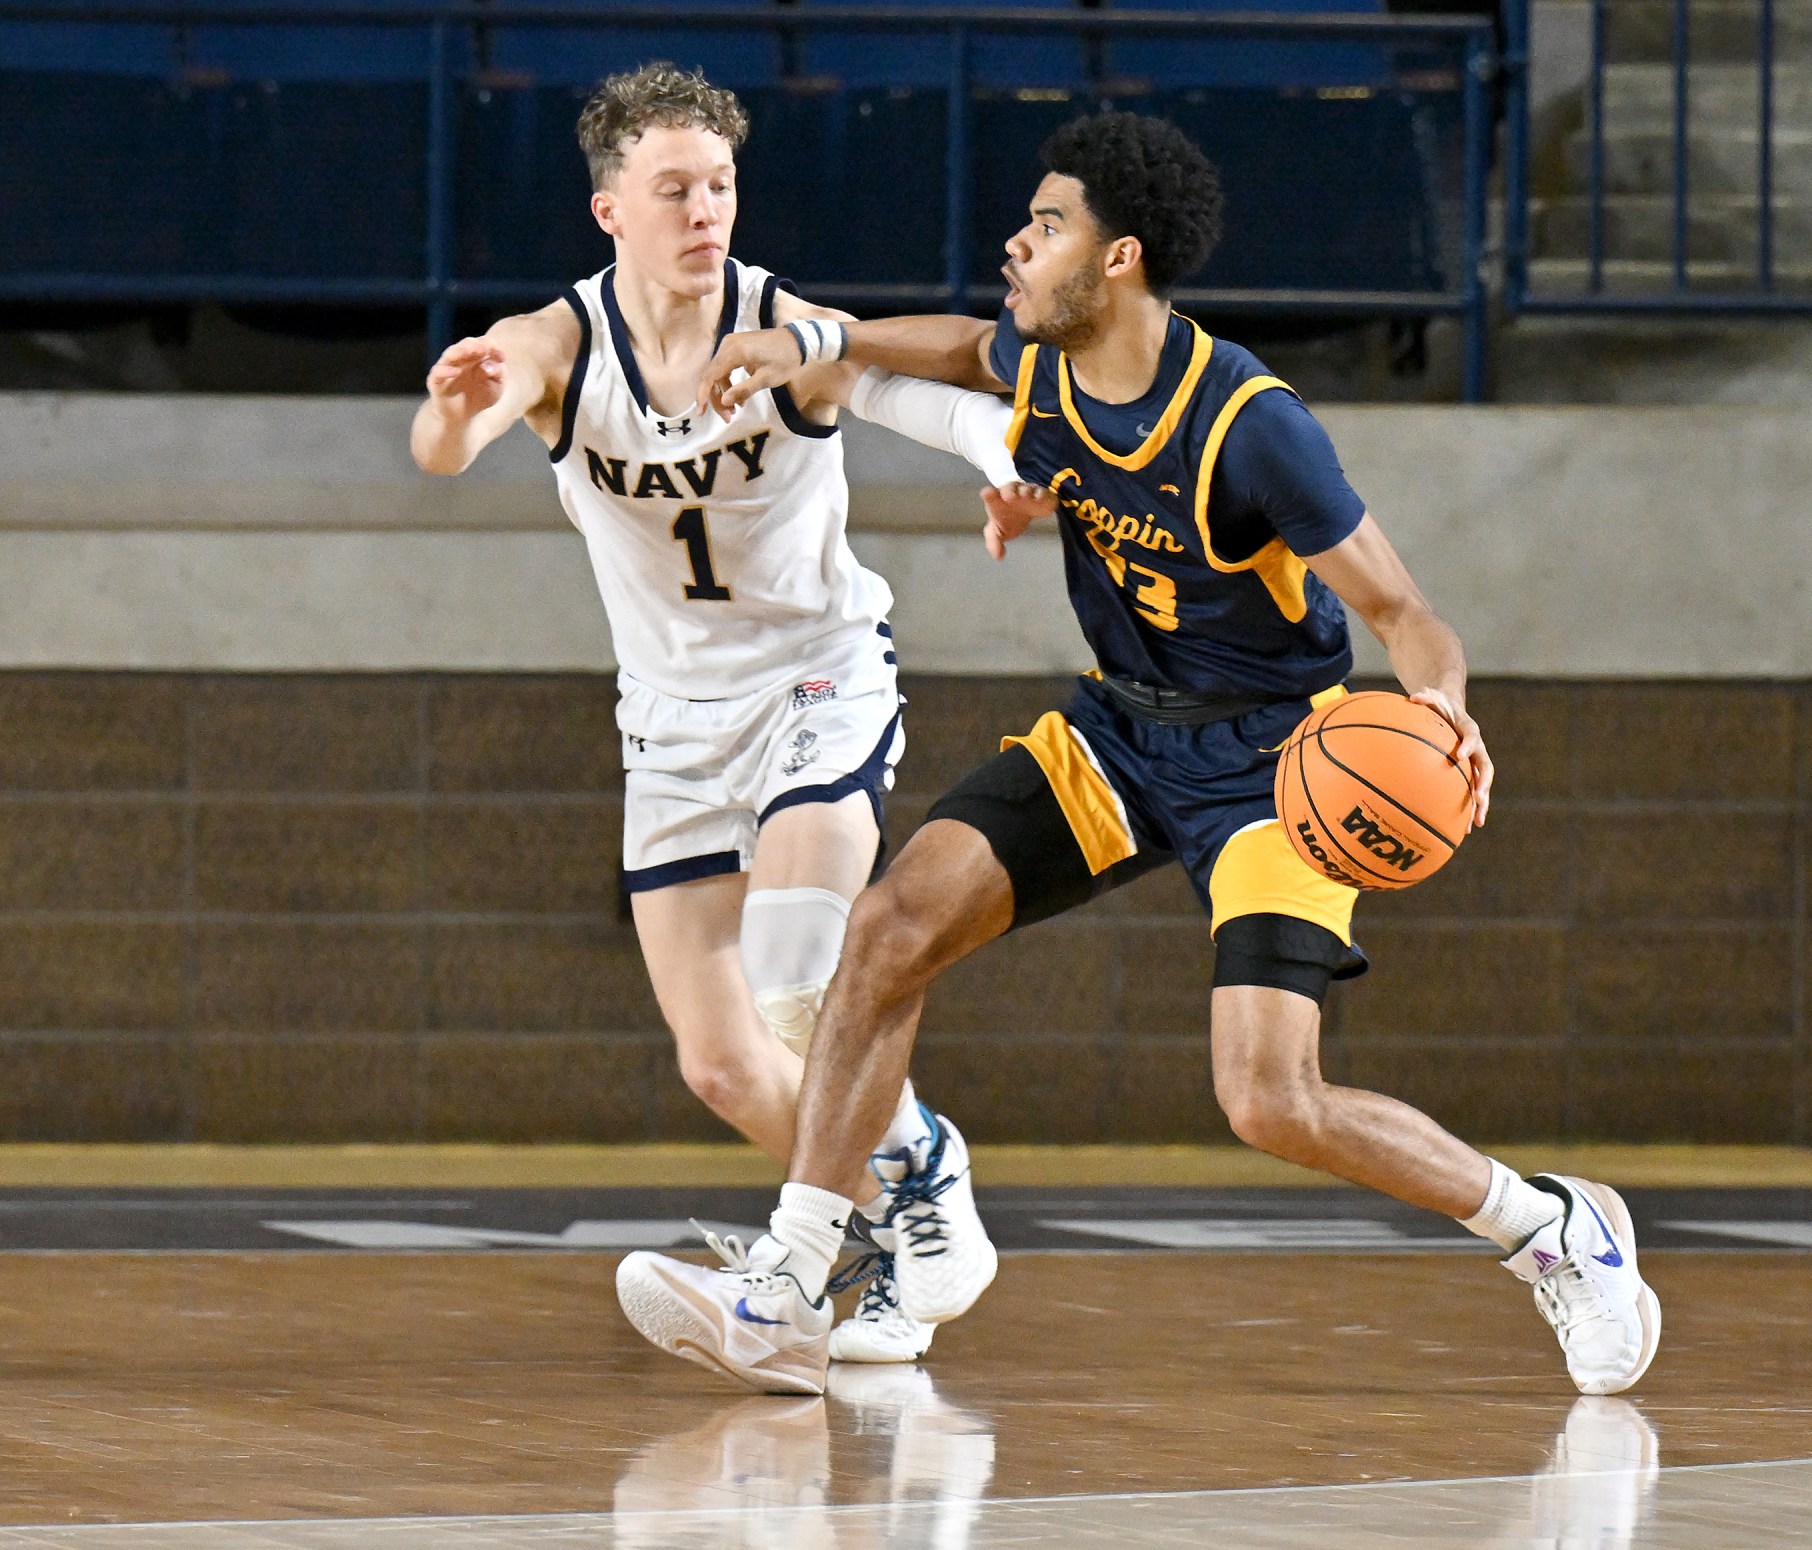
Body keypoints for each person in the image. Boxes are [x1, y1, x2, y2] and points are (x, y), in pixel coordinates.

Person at [616, 111, 1661, 1399]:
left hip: (1274, 765)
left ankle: (1552, 1226)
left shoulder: (1251, 425)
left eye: (1047, 223)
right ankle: (790, 1282)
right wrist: (821, 342)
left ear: (1119, 259)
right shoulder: (1047, 362)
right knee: (886, 931)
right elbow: (967, 347)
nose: (1018, 240)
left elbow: (1403, 612)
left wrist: (1443, 708)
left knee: (1270, 1100)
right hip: (1119, 731)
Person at [410, 62, 1050, 1371]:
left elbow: (910, 396)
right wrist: (453, 411)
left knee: (800, 971)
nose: (705, 209)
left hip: (817, 676)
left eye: (720, 184)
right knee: (721, 1063)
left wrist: (1005, 458)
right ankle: (879, 1249)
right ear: (610, 210)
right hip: (672, 722)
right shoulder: (561, 343)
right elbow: (450, 441)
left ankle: (919, 1174)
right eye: (674, 189)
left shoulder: (777, 323)